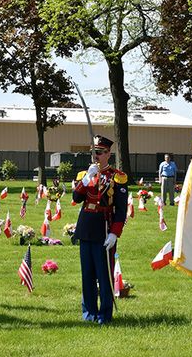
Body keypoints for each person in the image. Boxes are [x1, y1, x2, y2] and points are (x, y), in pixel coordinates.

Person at [72, 135, 128, 325]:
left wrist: (114, 233)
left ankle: (104, 314)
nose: (96, 156)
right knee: (87, 274)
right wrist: (87, 178)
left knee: (104, 275)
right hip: (86, 227)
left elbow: (121, 210)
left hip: (104, 228)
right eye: (93, 152)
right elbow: (77, 198)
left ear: (108, 154)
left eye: (100, 153)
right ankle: (89, 312)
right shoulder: (84, 175)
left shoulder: (117, 177)